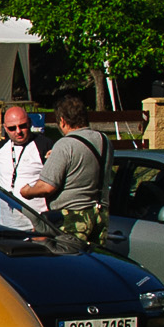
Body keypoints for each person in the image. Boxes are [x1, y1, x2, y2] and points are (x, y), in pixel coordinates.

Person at [22, 91, 110, 245]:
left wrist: (27, 191)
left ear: (62, 121)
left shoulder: (65, 145)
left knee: (70, 265)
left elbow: (47, 187)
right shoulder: (104, 140)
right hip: (99, 215)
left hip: (72, 219)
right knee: (94, 262)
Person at [0, 104, 46, 211]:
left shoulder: (44, 146)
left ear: (29, 123)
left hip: (37, 221)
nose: (18, 131)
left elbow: (52, 183)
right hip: (6, 223)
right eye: (12, 128)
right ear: (5, 128)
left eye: (22, 126)